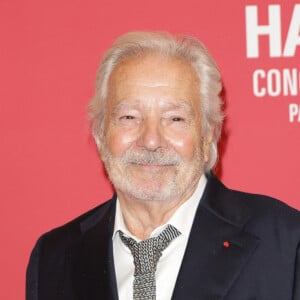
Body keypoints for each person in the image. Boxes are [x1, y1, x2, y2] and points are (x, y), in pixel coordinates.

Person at [26, 31, 300, 300]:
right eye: (129, 117)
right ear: (100, 134)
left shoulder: (285, 243)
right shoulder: (54, 258)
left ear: (207, 137)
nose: (151, 140)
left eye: (175, 119)